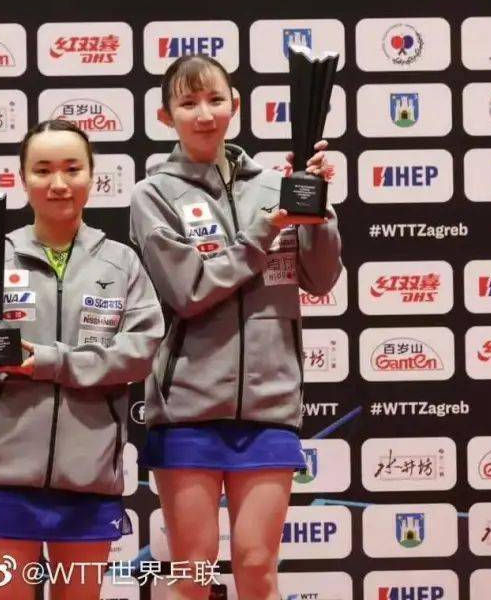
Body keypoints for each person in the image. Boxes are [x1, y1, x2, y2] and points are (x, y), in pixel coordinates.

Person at [129, 54, 343, 600]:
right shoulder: (152, 195)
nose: (204, 114)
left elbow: (320, 277)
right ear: (166, 116)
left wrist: (317, 208)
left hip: (270, 407)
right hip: (187, 411)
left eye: (215, 100)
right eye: (188, 103)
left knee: (257, 565)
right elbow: (189, 292)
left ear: (235, 106)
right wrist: (264, 231)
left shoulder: (275, 185)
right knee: (193, 572)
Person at [0, 119, 165, 600]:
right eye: (43, 170)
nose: (58, 183)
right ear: (23, 179)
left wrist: (48, 361)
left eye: (72, 168)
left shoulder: (121, 262)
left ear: (92, 176)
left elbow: (140, 353)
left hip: (88, 480)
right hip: (2, 478)